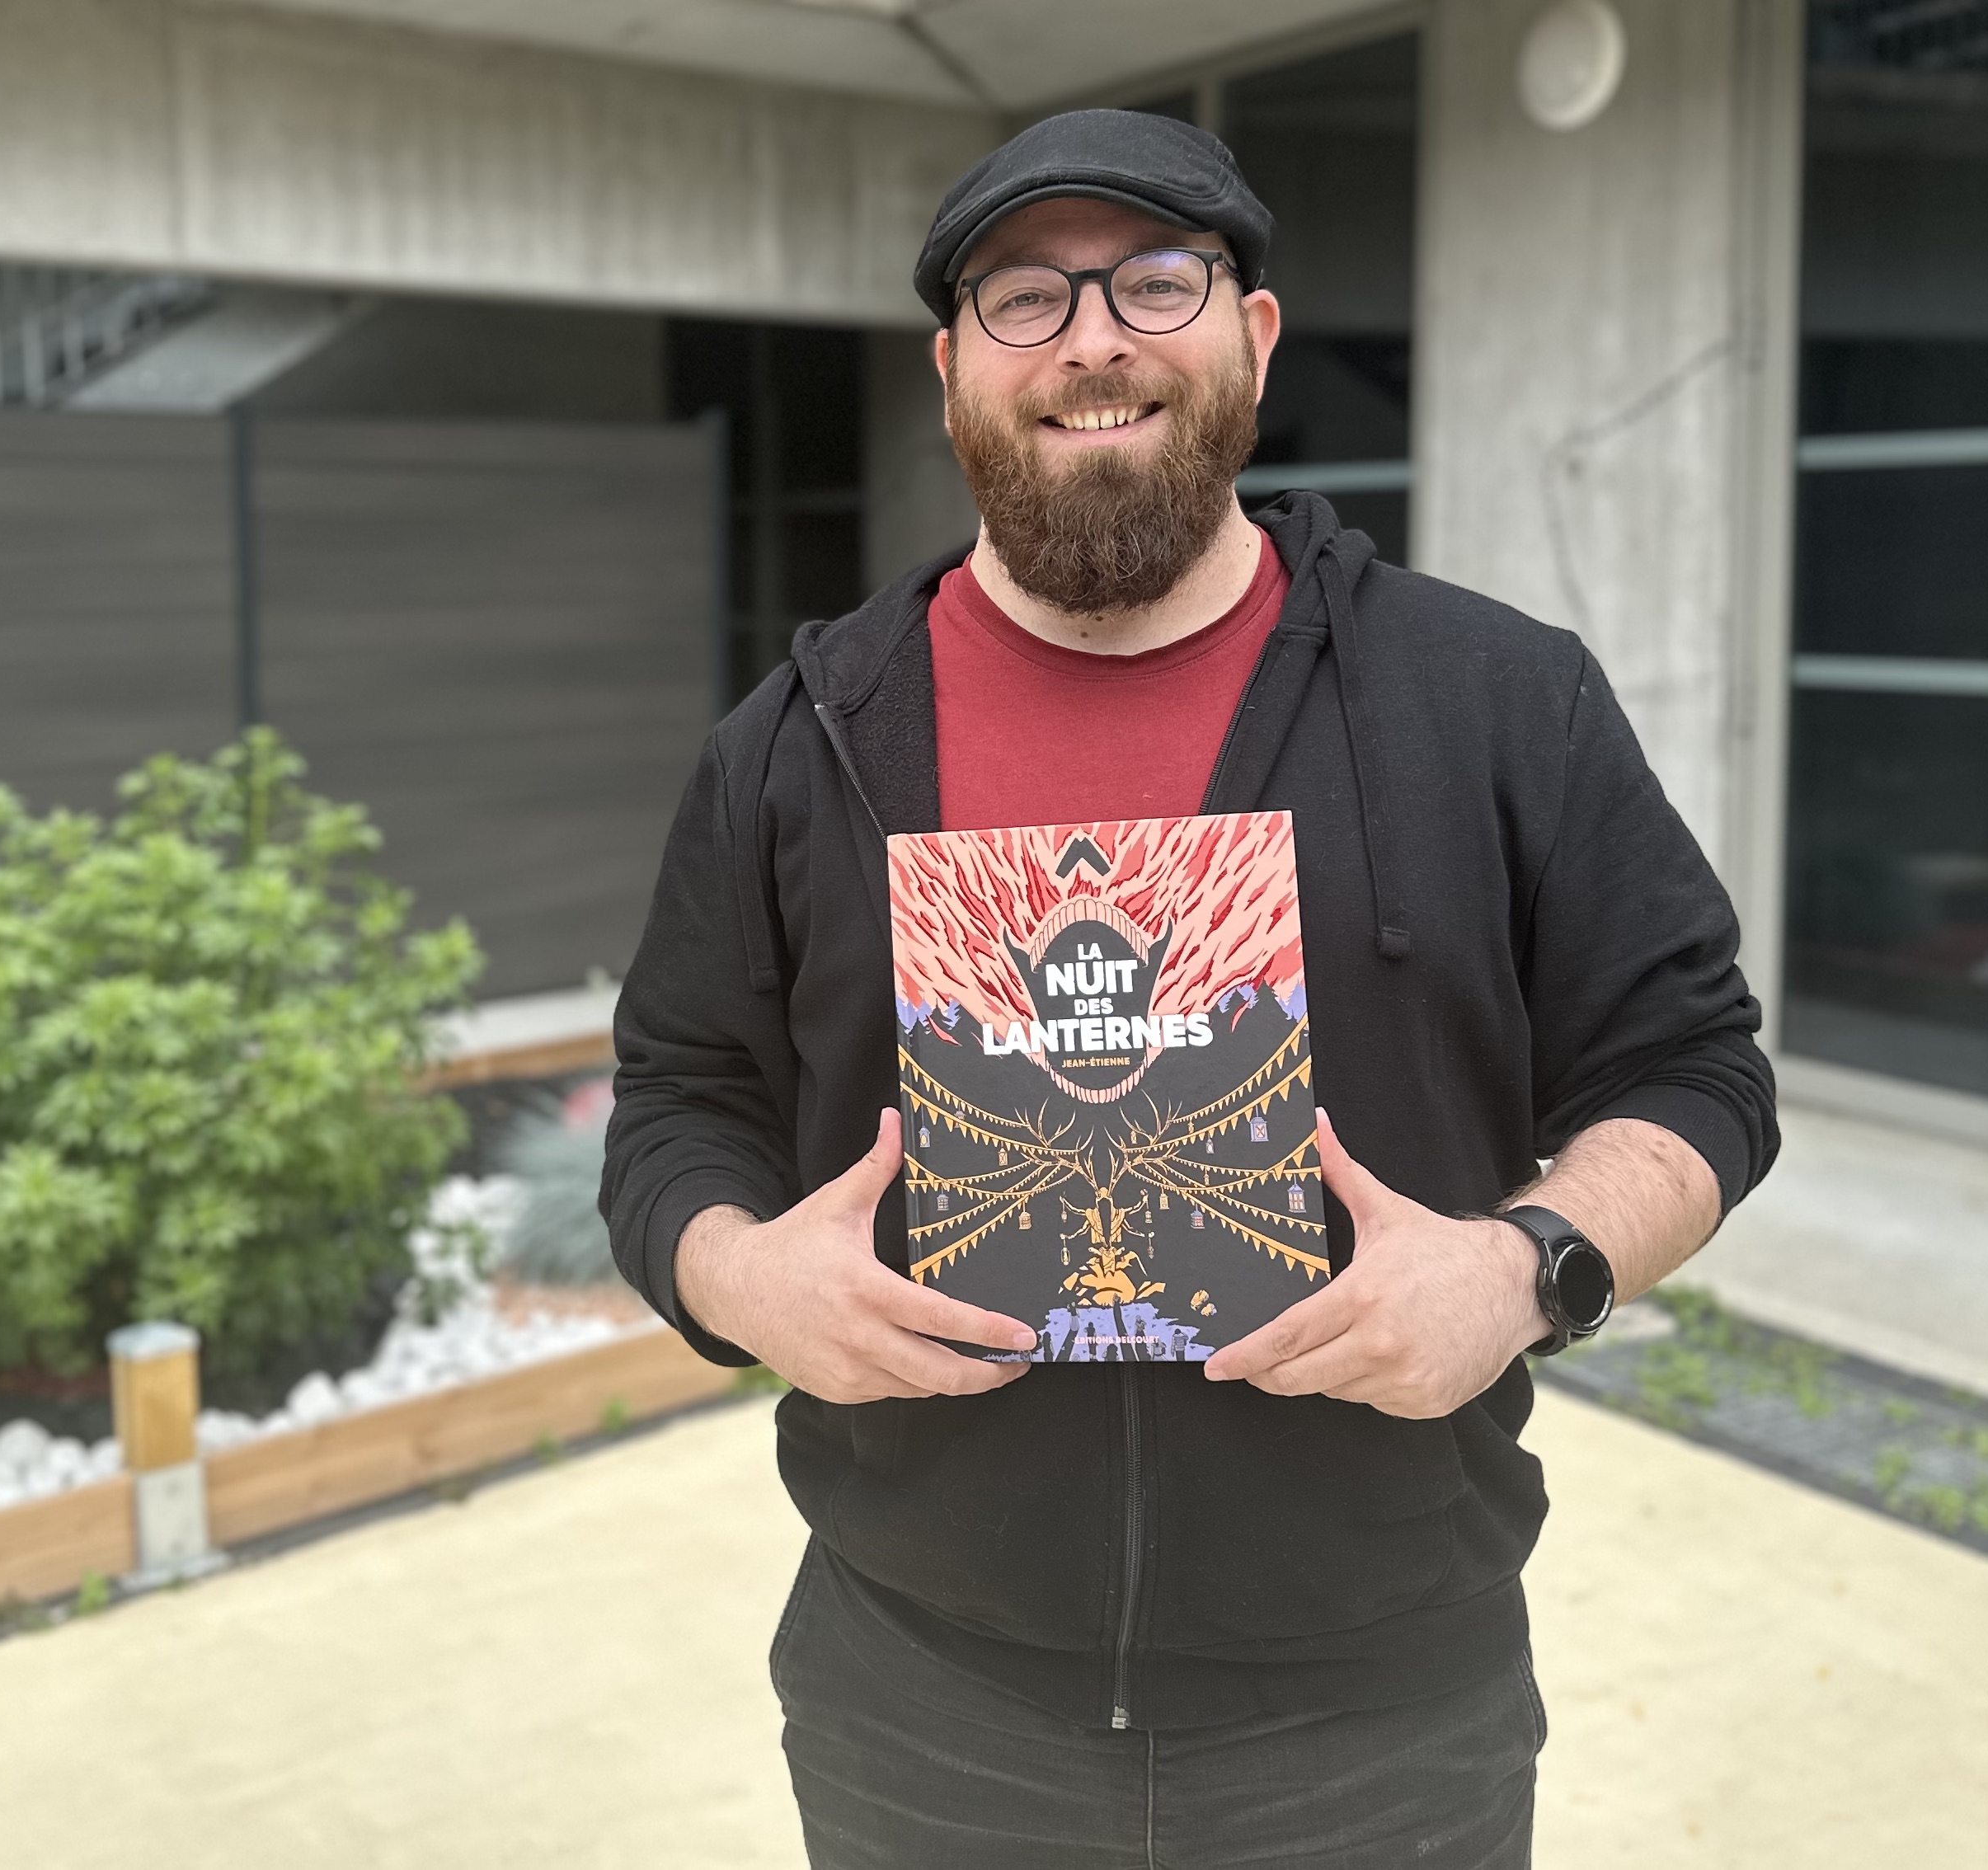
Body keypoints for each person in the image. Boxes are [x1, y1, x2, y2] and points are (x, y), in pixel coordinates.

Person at [600, 110, 1775, 1868]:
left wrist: (1529, 1267)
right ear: (950, 369)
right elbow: (678, 1101)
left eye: (1158, 281)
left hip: (1386, 1724)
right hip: (920, 1710)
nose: (1093, 342)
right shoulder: (799, 744)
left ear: (1255, 335)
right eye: (1024, 298)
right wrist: (739, 1274)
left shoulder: (1494, 701)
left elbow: (1694, 1069)